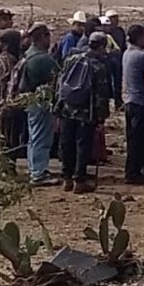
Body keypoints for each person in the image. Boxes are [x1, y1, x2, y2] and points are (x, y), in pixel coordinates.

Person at [54, 32, 113, 193]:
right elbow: (102, 95)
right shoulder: (98, 67)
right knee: (83, 145)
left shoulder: (71, 60)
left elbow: (60, 83)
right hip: (86, 112)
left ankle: (67, 178)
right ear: (101, 46)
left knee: (66, 143)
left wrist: (58, 105)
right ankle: (79, 180)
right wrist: (102, 117)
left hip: (67, 109)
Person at [20, 24, 58, 186]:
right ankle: (38, 173)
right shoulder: (42, 59)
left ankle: (35, 168)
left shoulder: (29, 55)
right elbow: (57, 77)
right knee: (41, 138)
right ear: (42, 37)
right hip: (42, 102)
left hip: (32, 101)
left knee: (34, 137)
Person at [121, 25, 144, 184]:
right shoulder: (143, 56)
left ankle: (135, 169)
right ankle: (133, 172)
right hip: (141, 102)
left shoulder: (127, 53)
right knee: (140, 139)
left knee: (133, 138)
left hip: (130, 100)